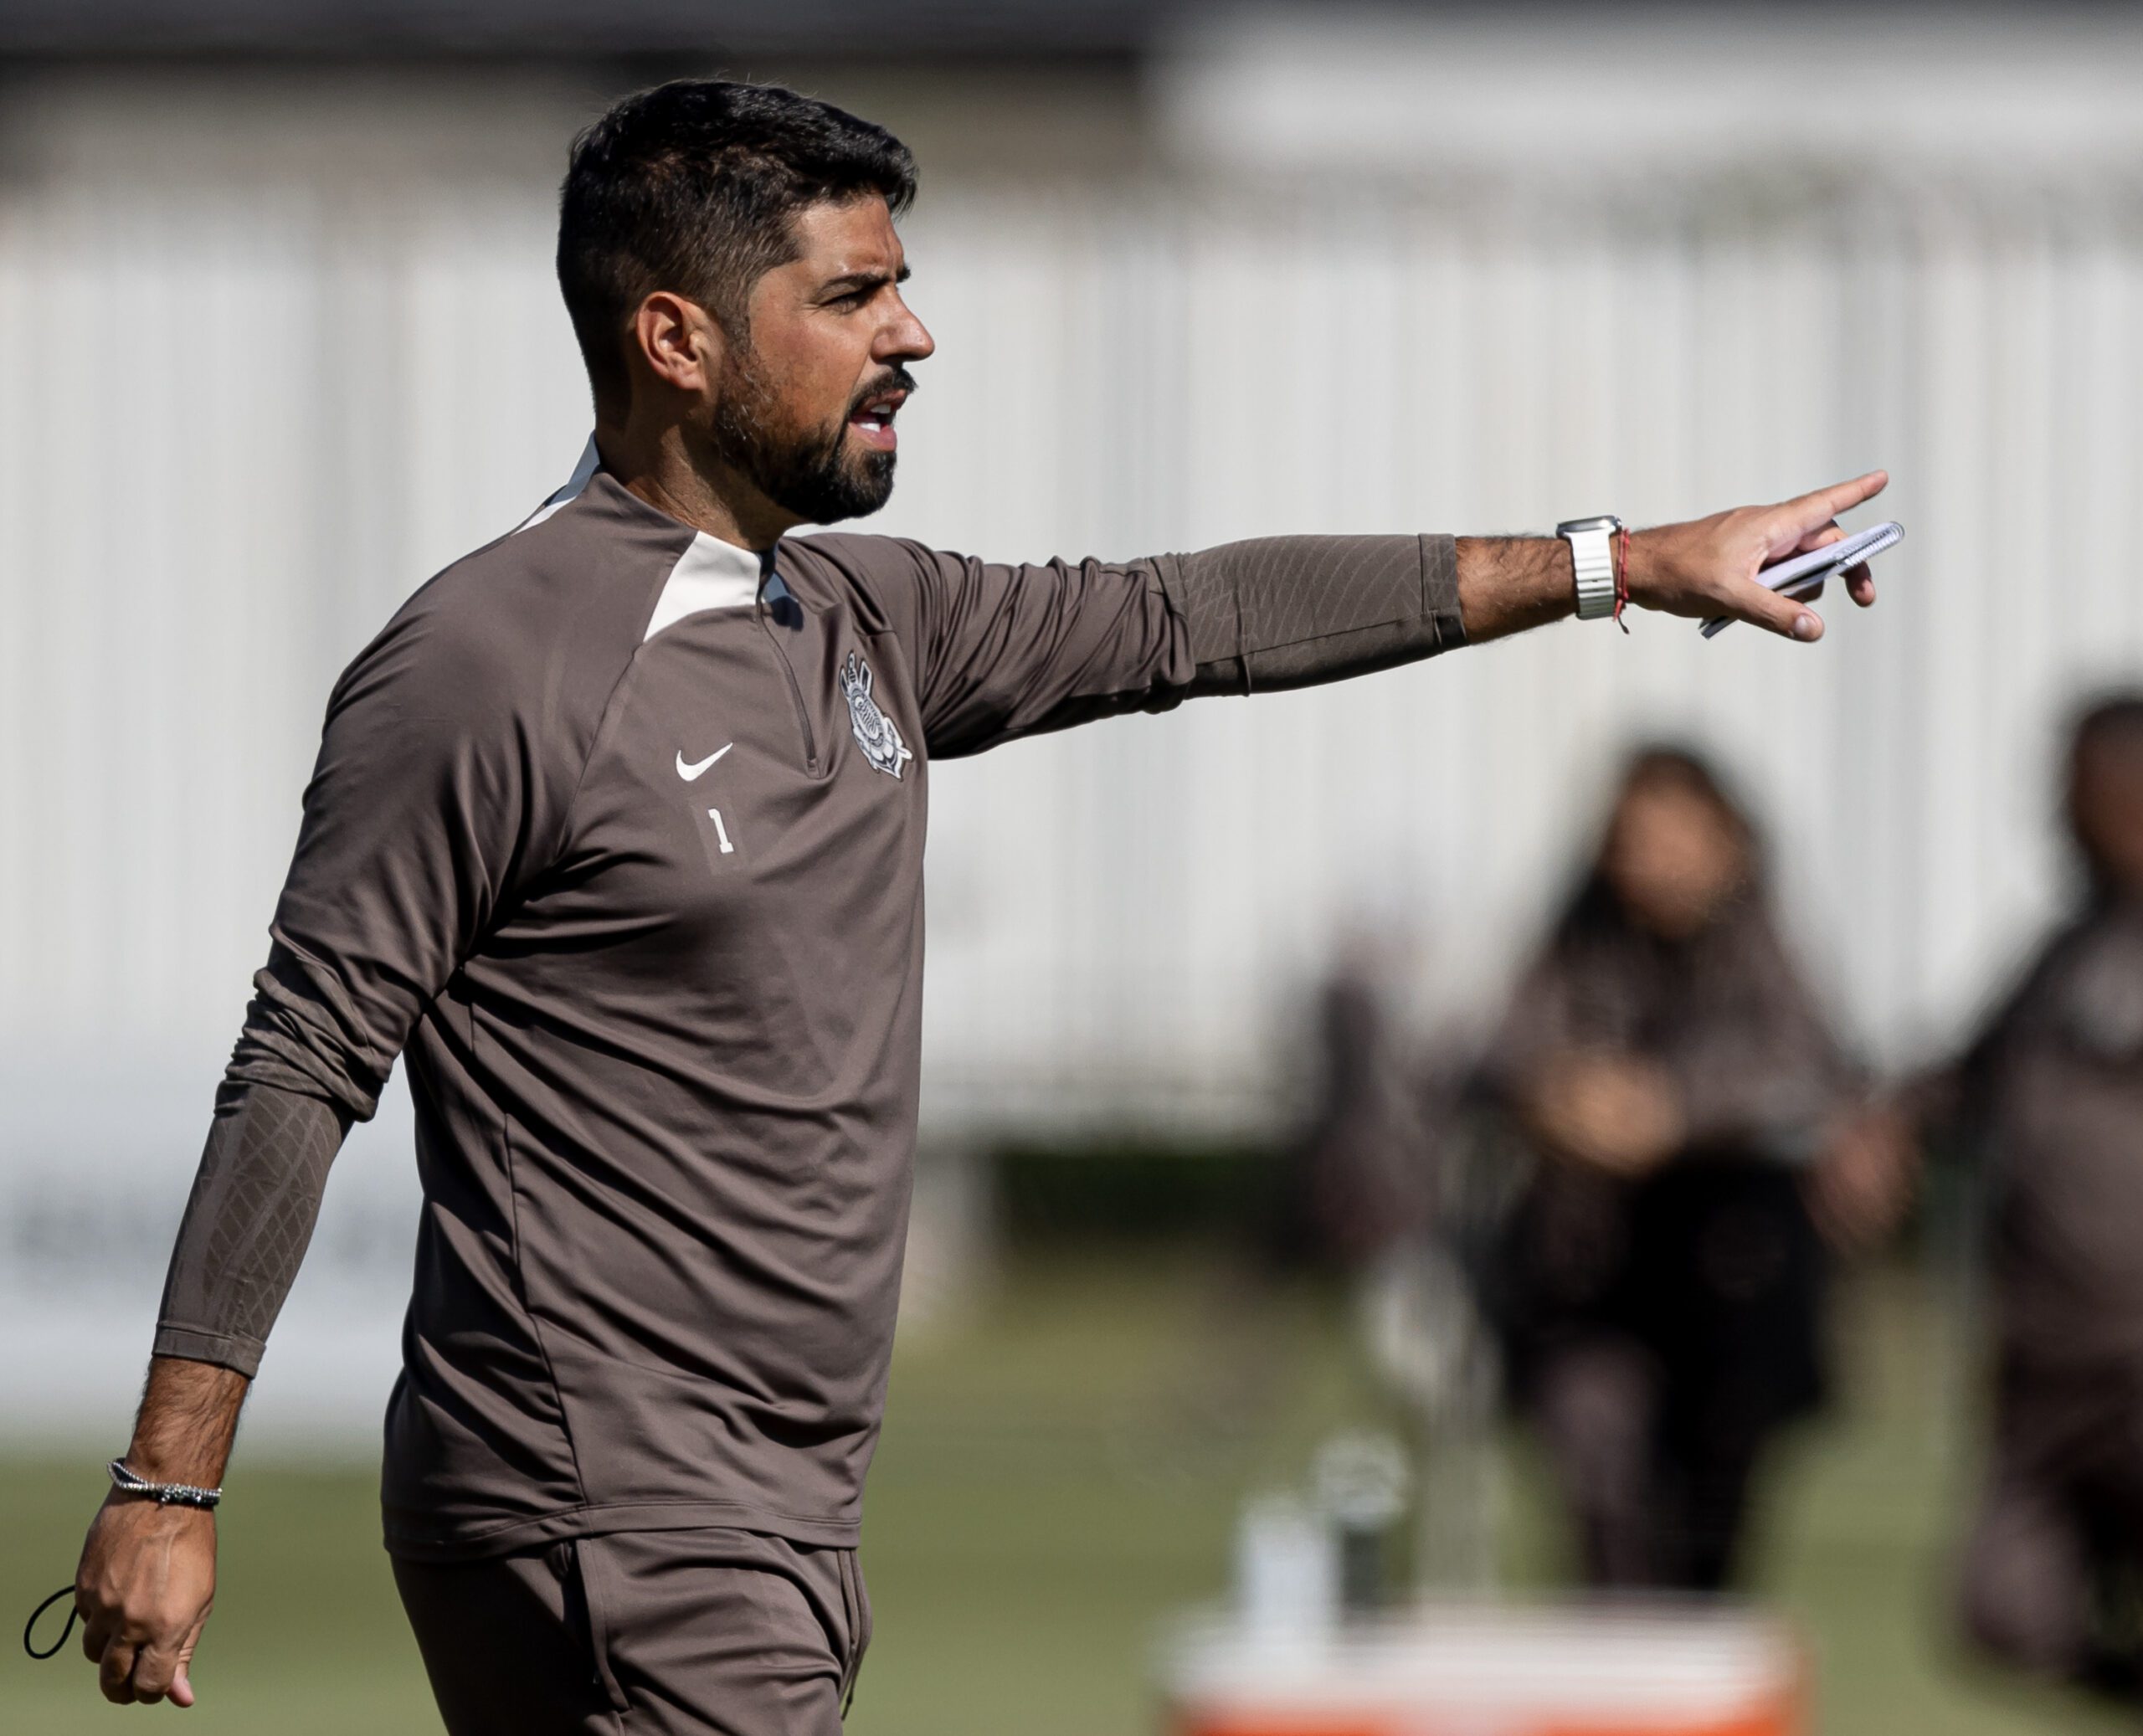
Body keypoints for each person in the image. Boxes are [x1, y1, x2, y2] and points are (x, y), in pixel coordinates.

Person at [64, 79, 1884, 1732]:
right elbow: (300, 1062)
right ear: (677, 337)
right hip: (618, 1497)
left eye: (900, 287)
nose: (912, 335)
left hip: (760, 1509)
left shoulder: (860, 616)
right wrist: (168, 1483)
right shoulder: (491, 657)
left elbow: (1202, 617)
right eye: (852, 298)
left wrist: (1615, 564)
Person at [1476, 747, 1907, 1590]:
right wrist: (1559, 1097)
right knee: (1603, 1495)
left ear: (1729, 843)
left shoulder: (1761, 943)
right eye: (1632, 840)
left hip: (1734, 1295)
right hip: (1593, 1289)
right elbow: (1496, 1053)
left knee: (1712, 1540)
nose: (1651, 861)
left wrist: (1671, 1111)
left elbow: (1809, 1067)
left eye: (1675, 838)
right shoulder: (1579, 933)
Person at [1923, 696, 2143, 1700]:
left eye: (2085, 788)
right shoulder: (2060, 954)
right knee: (2001, 1608)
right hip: (2051, 1365)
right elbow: (1964, 1083)